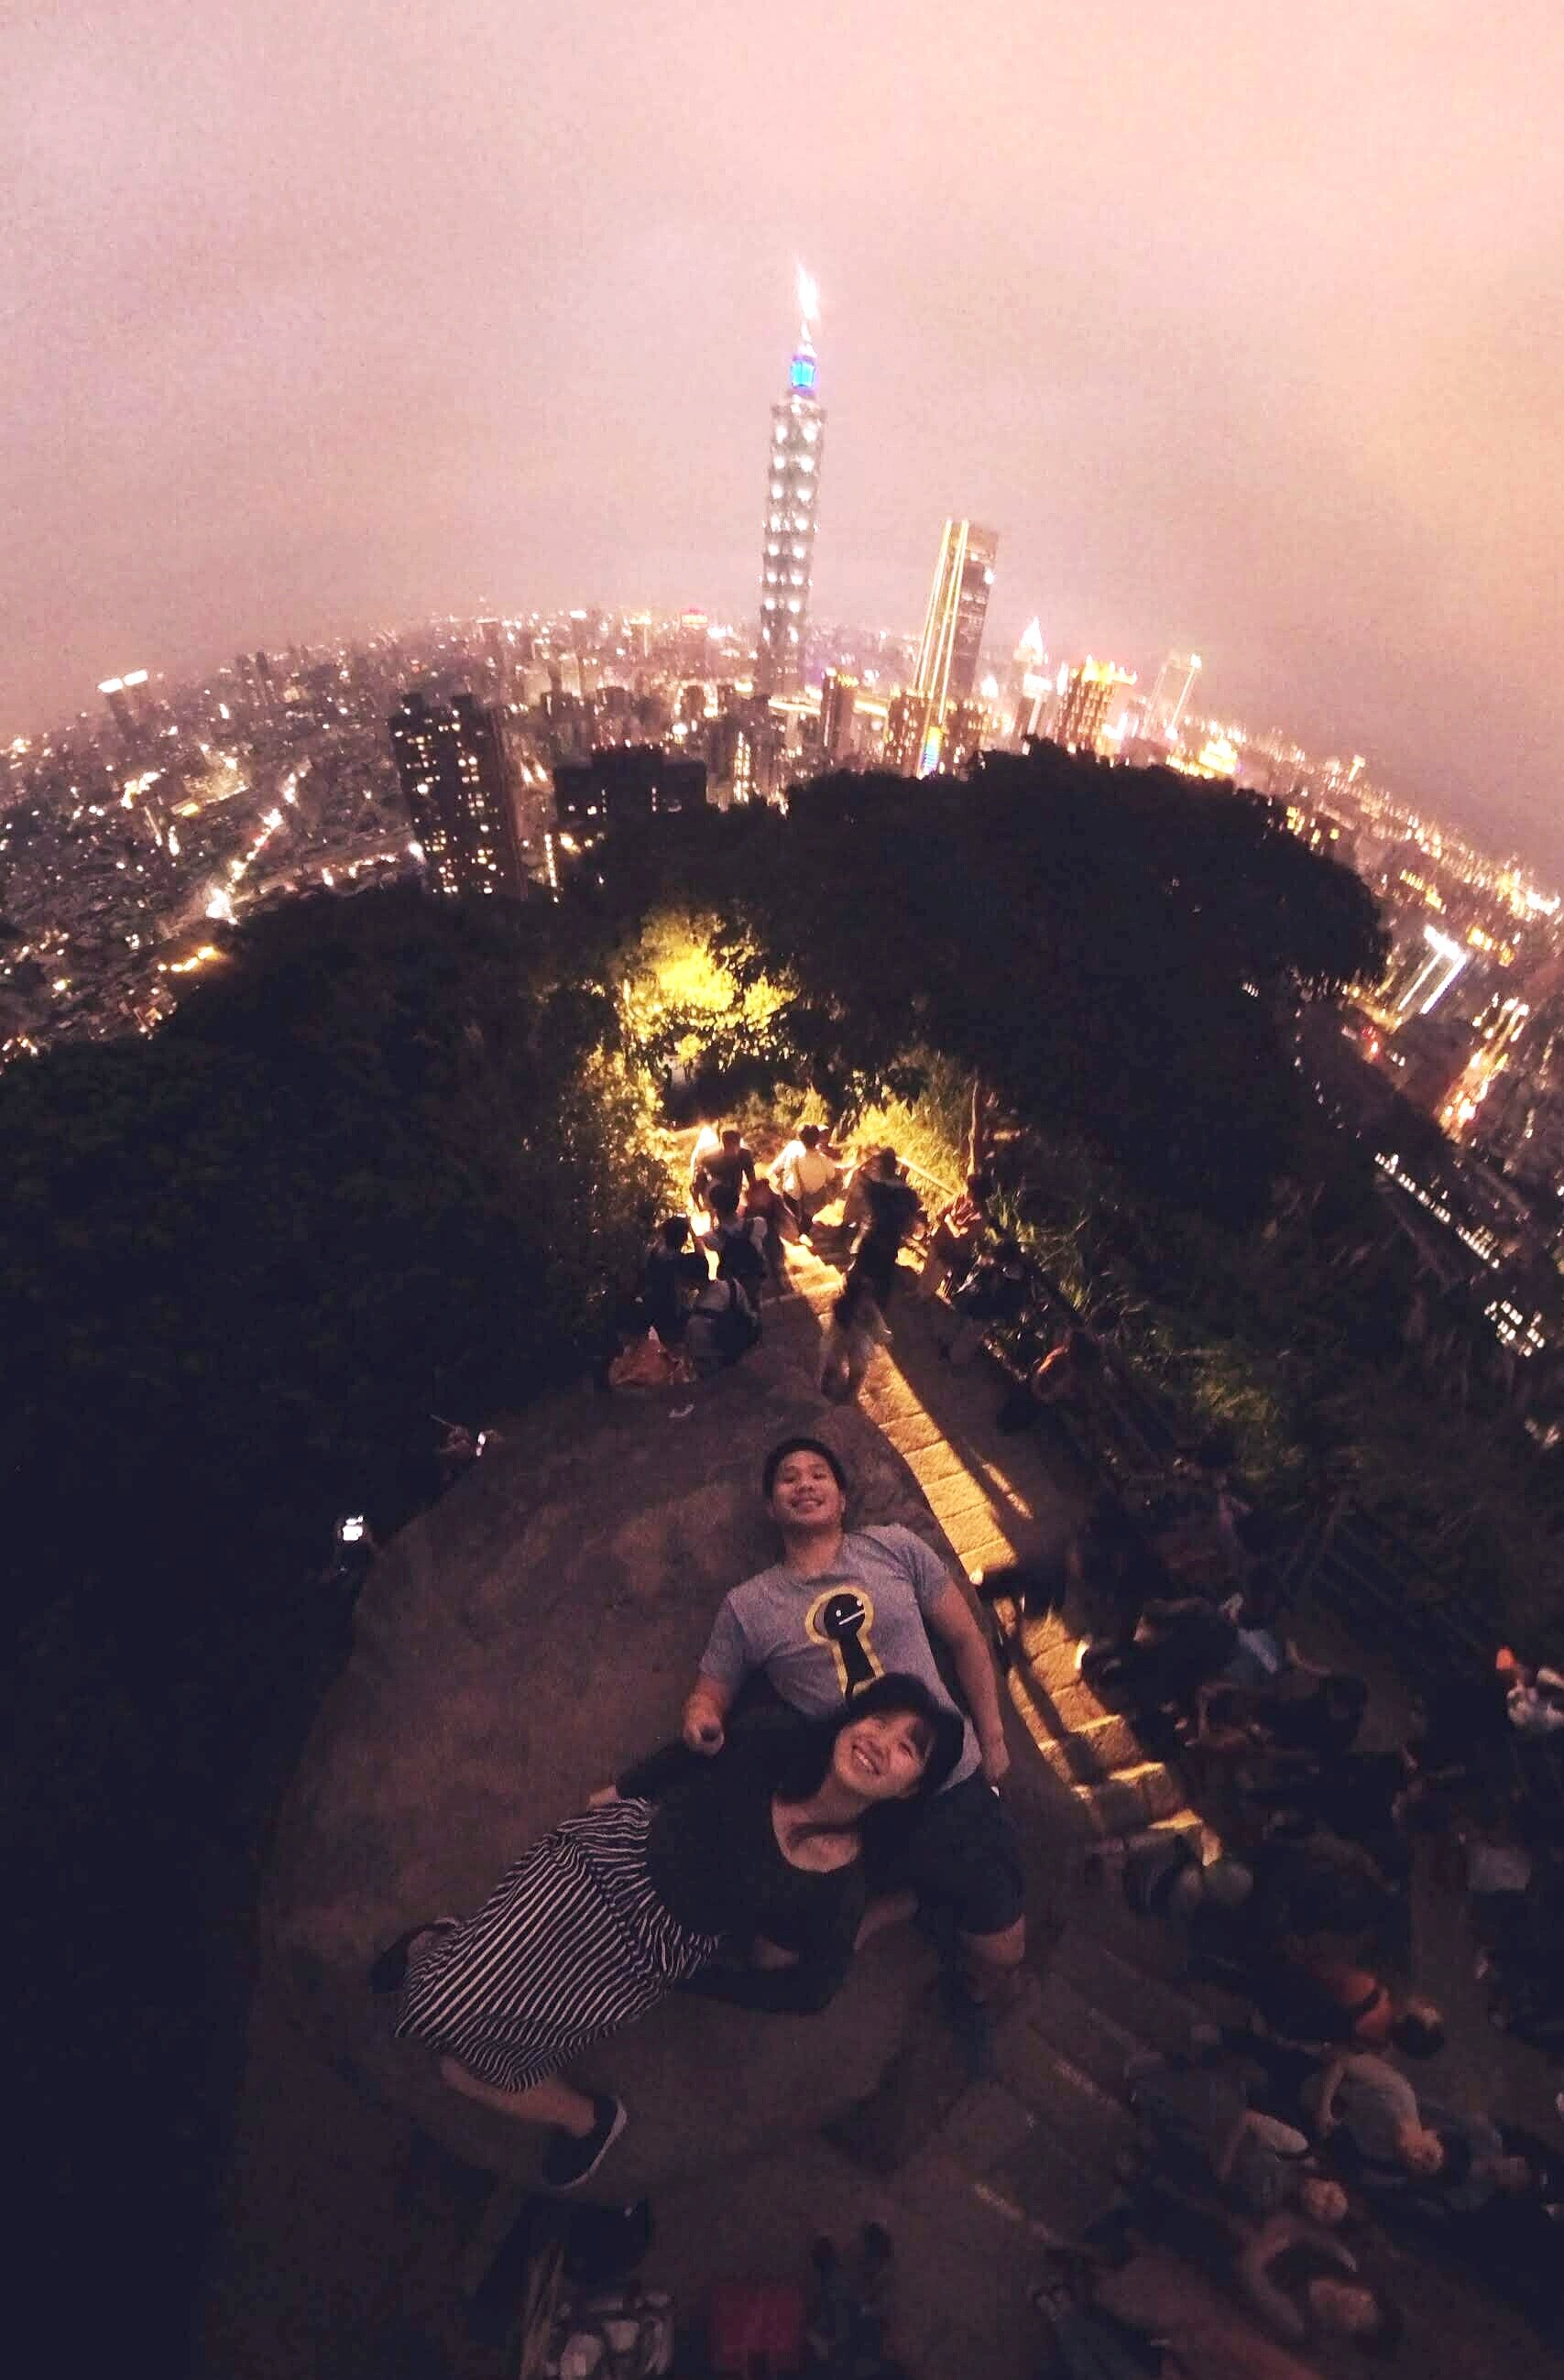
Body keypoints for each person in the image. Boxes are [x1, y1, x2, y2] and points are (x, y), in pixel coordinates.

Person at [376, 1674, 961, 2192]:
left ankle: (591, 2118)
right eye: (877, 1720)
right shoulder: (776, 1737)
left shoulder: (837, 1889)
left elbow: (812, 1990)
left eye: (907, 1748)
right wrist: (624, 1789)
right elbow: (695, 1755)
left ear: (911, 1788)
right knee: (438, 2007)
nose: (879, 1743)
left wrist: (701, 1982)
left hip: (648, 1952)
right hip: (605, 1862)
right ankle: (439, 1946)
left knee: (468, 2064)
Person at [680, 1437, 1024, 2061]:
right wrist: (702, 1717)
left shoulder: (893, 1548)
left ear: (841, 1497)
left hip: (941, 1786)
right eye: (788, 1478)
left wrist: (993, 1737)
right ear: (770, 1504)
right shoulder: (750, 1605)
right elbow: (712, 1689)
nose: (804, 1484)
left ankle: (953, 1972)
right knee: (773, 1954)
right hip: (850, 1801)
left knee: (1003, 1952)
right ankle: (898, 1902)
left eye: (818, 1475)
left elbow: (966, 1639)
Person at [1126, 2039, 1350, 2222]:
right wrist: (1227, 2160)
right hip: (1225, 2121)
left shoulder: (1279, 2205)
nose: (1319, 2202)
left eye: (1323, 2212)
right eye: (1328, 2196)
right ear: (1329, 2182)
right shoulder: (1298, 2148)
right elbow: (1247, 2118)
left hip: (1213, 2153)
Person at [842, 1149, 922, 1306]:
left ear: (880, 1167)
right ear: (896, 1167)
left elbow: (859, 1174)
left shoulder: (874, 1188)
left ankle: (847, 1310)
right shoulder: (909, 1194)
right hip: (891, 1241)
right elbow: (913, 1210)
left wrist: (870, 1159)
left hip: (871, 1237)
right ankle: (879, 1307)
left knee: (856, 1276)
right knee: (884, 1277)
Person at [942, 1237, 1029, 1366]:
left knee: (970, 1332)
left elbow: (1003, 1296)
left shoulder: (1012, 1277)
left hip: (987, 1307)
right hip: (984, 1305)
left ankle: (954, 1357)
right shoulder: (1007, 1272)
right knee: (969, 1331)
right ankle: (952, 1354)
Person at [818, 1264, 891, 1406]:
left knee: (855, 1367)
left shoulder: (867, 1311)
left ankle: (843, 1391)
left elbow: (878, 1328)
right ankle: (832, 1387)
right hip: (846, 1339)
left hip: (855, 1341)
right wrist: (882, 1335)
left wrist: (881, 1334)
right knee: (836, 1362)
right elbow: (878, 1330)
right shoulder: (847, 1308)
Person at [917, 1170, 993, 1300]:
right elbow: (941, 1213)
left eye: (971, 1189)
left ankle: (922, 1299)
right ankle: (917, 1293)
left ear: (978, 1195)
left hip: (952, 1251)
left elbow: (962, 1235)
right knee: (927, 1267)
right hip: (940, 1240)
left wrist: (949, 1220)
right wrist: (949, 1222)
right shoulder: (961, 1197)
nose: (967, 1190)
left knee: (935, 1277)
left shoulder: (982, 1216)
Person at [640, 1215, 709, 1345]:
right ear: (684, 1239)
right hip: (674, 1315)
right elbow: (701, 1257)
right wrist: (692, 1231)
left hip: (654, 1311)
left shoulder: (653, 1253)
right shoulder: (681, 1261)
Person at [684, 1269, 760, 1377]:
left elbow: (704, 1358)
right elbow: (749, 1315)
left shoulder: (697, 1318)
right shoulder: (733, 1285)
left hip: (722, 1369)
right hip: (746, 1354)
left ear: (691, 1280)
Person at [772, 1122, 841, 1239]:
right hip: (812, 1199)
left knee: (792, 1214)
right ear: (818, 1138)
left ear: (800, 1137)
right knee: (832, 1185)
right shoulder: (823, 1159)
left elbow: (775, 1169)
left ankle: (794, 1229)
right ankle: (804, 1228)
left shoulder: (792, 1147)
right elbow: (832, 1176)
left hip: (790, 1194)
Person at [694, 1125, 757, 1220]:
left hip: (735, 1192)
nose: (730, 1150)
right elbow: (698, 1183)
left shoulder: (744, 1156)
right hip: (717, 1197)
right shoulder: (710, 1159)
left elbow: (752, 1181)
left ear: (739, 1144)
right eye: (727, 1145)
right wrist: (700, 1205)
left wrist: (753, 1203)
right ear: (722, 1144)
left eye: (733, 1145)